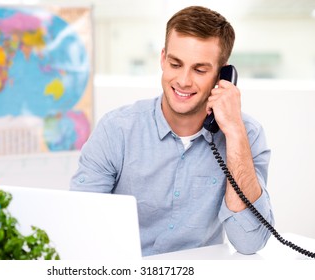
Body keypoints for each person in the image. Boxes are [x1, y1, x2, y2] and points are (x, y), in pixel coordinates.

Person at [70, 5, 274, 257]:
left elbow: (249, 242)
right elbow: (78, 224)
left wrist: (233, 134)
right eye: (176, 64)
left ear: (223, 75)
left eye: (200, 70)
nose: (184, 80)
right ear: (162, 58)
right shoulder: (117, 130)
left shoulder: (246, 135)